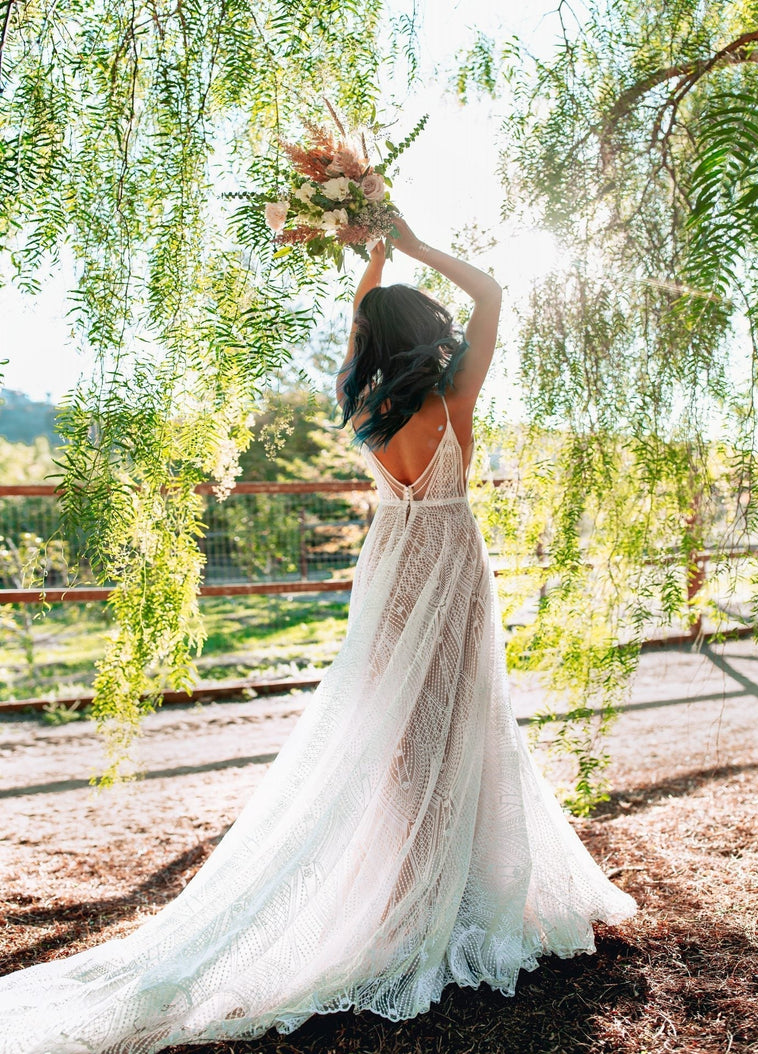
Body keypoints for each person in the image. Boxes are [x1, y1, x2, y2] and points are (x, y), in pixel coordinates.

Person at [0, 219, 635, 1054]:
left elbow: (359, 326)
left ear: (370, 343)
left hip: (392, 567)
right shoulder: (453, 401)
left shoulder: (361, 402)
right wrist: (409, 242)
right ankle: (445, 893)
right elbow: (489, 292)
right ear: (425, 335)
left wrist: (373, 258)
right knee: (459, 717)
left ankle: (417, 880)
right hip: (448, 560)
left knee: (402, 731)